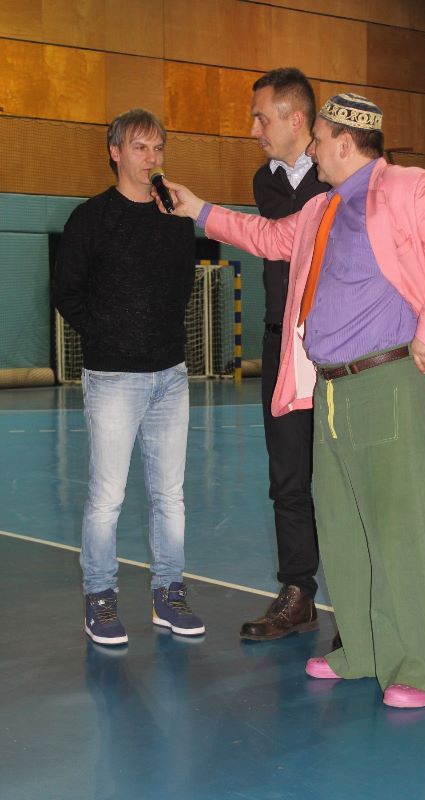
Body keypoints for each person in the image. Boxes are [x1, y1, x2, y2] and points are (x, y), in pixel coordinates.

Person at [154, 92, 425, 708]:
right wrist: (199, 209)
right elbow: (266, 236)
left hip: (388, 381)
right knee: (342, 528)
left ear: (345, 141)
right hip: (332, 388)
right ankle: (362, 651)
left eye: (317, 139)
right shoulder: (321, 208)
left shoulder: (408, 189)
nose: (310, 149)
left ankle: (422, 668)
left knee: (400, 530)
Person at [54, 108, 204, 646]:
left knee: (170, 496)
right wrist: (108, 336)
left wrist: (160, 338)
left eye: (158, 148)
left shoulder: (176, 219)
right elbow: (66, 292)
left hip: (171, 375)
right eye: (140, 147)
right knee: (107, 497)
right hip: (113, 378)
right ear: (115, 152)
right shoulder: (90, 219)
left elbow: (182, 286)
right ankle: (100, 597)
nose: (152, 158)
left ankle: (169, 592)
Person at [241, 68, 330, 641]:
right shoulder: (266, 181)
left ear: (296, 119)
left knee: (347, 477)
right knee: (288, 475)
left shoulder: (340, 175)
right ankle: (298, 593)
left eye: (261, 117)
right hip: (281, 344)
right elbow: (286, 235)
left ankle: (364, 606)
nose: (254, 130)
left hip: (337, 347)